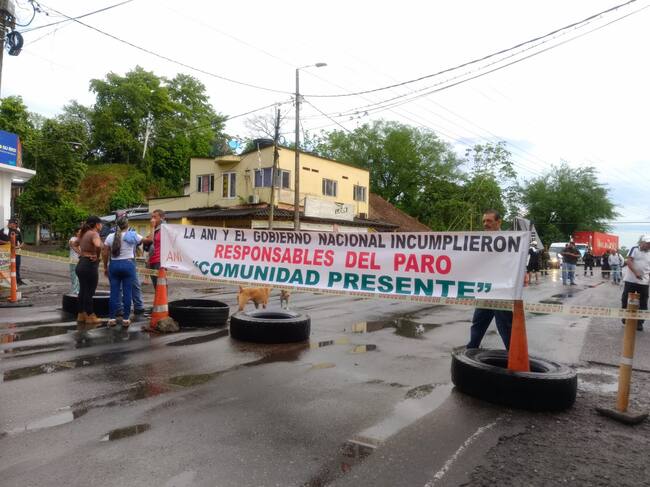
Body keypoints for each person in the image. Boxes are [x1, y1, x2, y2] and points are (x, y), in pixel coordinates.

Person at [467, 210, 512, 350]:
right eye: (484, 221)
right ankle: (471, 349)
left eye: (489, 221)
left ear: (498, 222)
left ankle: (513, 354)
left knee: (505, 324)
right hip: (485, 289)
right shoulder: (479, 240)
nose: (485, 224)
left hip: (501, 290)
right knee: (478, 322)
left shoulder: (509, 240)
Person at [102, 216, 143, 327]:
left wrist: (105, 267)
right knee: (127, 292)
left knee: (114, 293)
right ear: (127, 224)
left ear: (117, 225)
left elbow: (105, 252)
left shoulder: (110, 236)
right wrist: (153, 227)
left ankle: (112, 318)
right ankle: (125, 319)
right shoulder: (132, 235)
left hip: (114, 265)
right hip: (128, 265)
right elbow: (147, 241)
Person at [75, 216, 103, 326]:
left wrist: (81, 253)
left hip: (81, 264)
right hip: (89, 265)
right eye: (100, 223)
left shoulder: (84, 233)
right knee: (89, 291)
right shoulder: (94, 234)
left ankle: (81, 314)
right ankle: (90, 315)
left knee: (83, 290)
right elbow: (98, 245)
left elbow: (73, 244)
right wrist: (97, 256)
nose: (101, 225)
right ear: (97, 224)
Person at [621, 236, 650, 331]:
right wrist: (636, 272)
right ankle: (625, 316)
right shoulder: (634, 249)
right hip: (631, 280)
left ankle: (639, 323)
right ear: (642, 243)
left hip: (644, 282)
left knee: (643, 302)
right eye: (648, 243)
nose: (649, 245)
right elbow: (629, 261)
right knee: (625, 299)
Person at [143, 209, 165, 289]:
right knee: (156, 286)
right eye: (151, 217)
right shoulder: (154, 229)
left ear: (162, 218)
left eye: (155, 217)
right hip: (152, 260)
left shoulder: (165, 229)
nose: (152, 219)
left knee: (161, 286)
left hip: (159, 261)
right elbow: (148, 243)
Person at [0, 218, 24, 285]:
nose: (9, 224)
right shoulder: (3, 231)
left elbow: (22, 242)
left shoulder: (18, 232)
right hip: (6, 252)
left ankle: (18, 280)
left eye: (11, 223)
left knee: (17, 265)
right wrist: (6, 243)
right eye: (9, 223)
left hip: (16, 252)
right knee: (6, 266)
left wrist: (17, 247)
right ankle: (6, 281)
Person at [69, 227, 81, 294]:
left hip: (81, 261)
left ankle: (79, 291)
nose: (81, 233)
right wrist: (82, 254)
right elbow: (73, 245)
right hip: (73, 261)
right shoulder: (73, 239)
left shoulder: (83, 239)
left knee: (80, 277)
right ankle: (74, 291)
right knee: (74, 277)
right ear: (76, 233)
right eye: (79, 232)